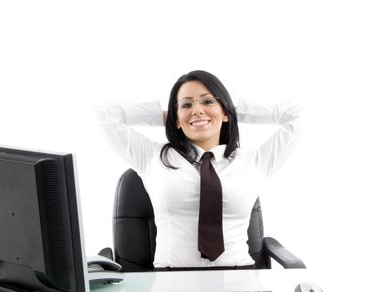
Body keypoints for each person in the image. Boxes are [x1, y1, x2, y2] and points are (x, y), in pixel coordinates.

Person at [97, 70, 300, 269]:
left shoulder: (255, 161)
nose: (197, 110)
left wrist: (231, 111)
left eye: (208, 101)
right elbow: (104, 114)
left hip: (240, 278)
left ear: (225, 112)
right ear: (176, 119)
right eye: (186, 104)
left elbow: (298, 114)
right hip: (172, 283)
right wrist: (169, 116)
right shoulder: (151, 157)